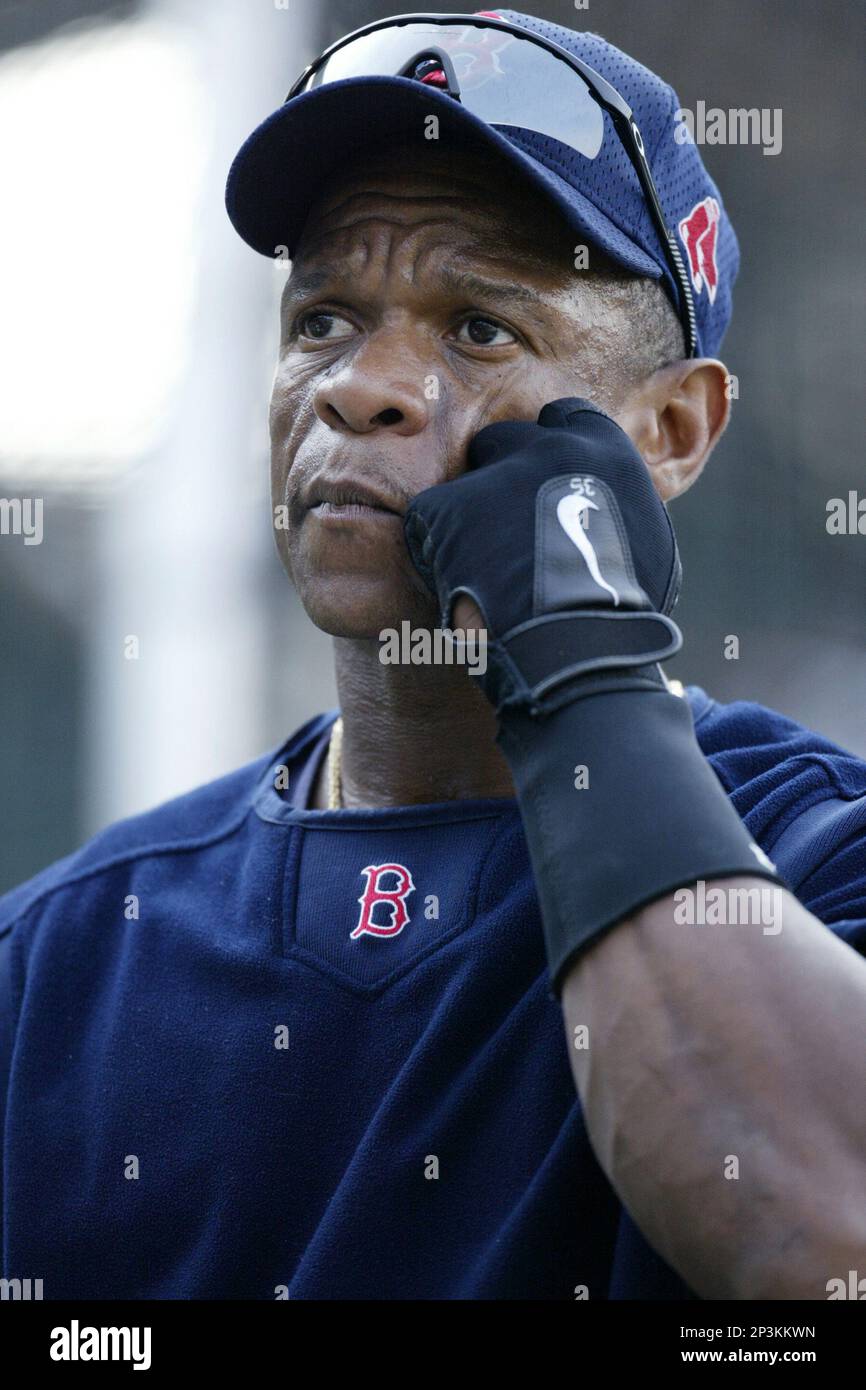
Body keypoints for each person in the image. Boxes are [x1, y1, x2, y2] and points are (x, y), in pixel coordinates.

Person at [2, 10, 864, 1301]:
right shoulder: (57, 952)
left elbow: (818, 1243)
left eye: (477, 329)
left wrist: (575, 654)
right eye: (322, 319)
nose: (362, 383)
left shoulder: (815, 855)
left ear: (674, 429)